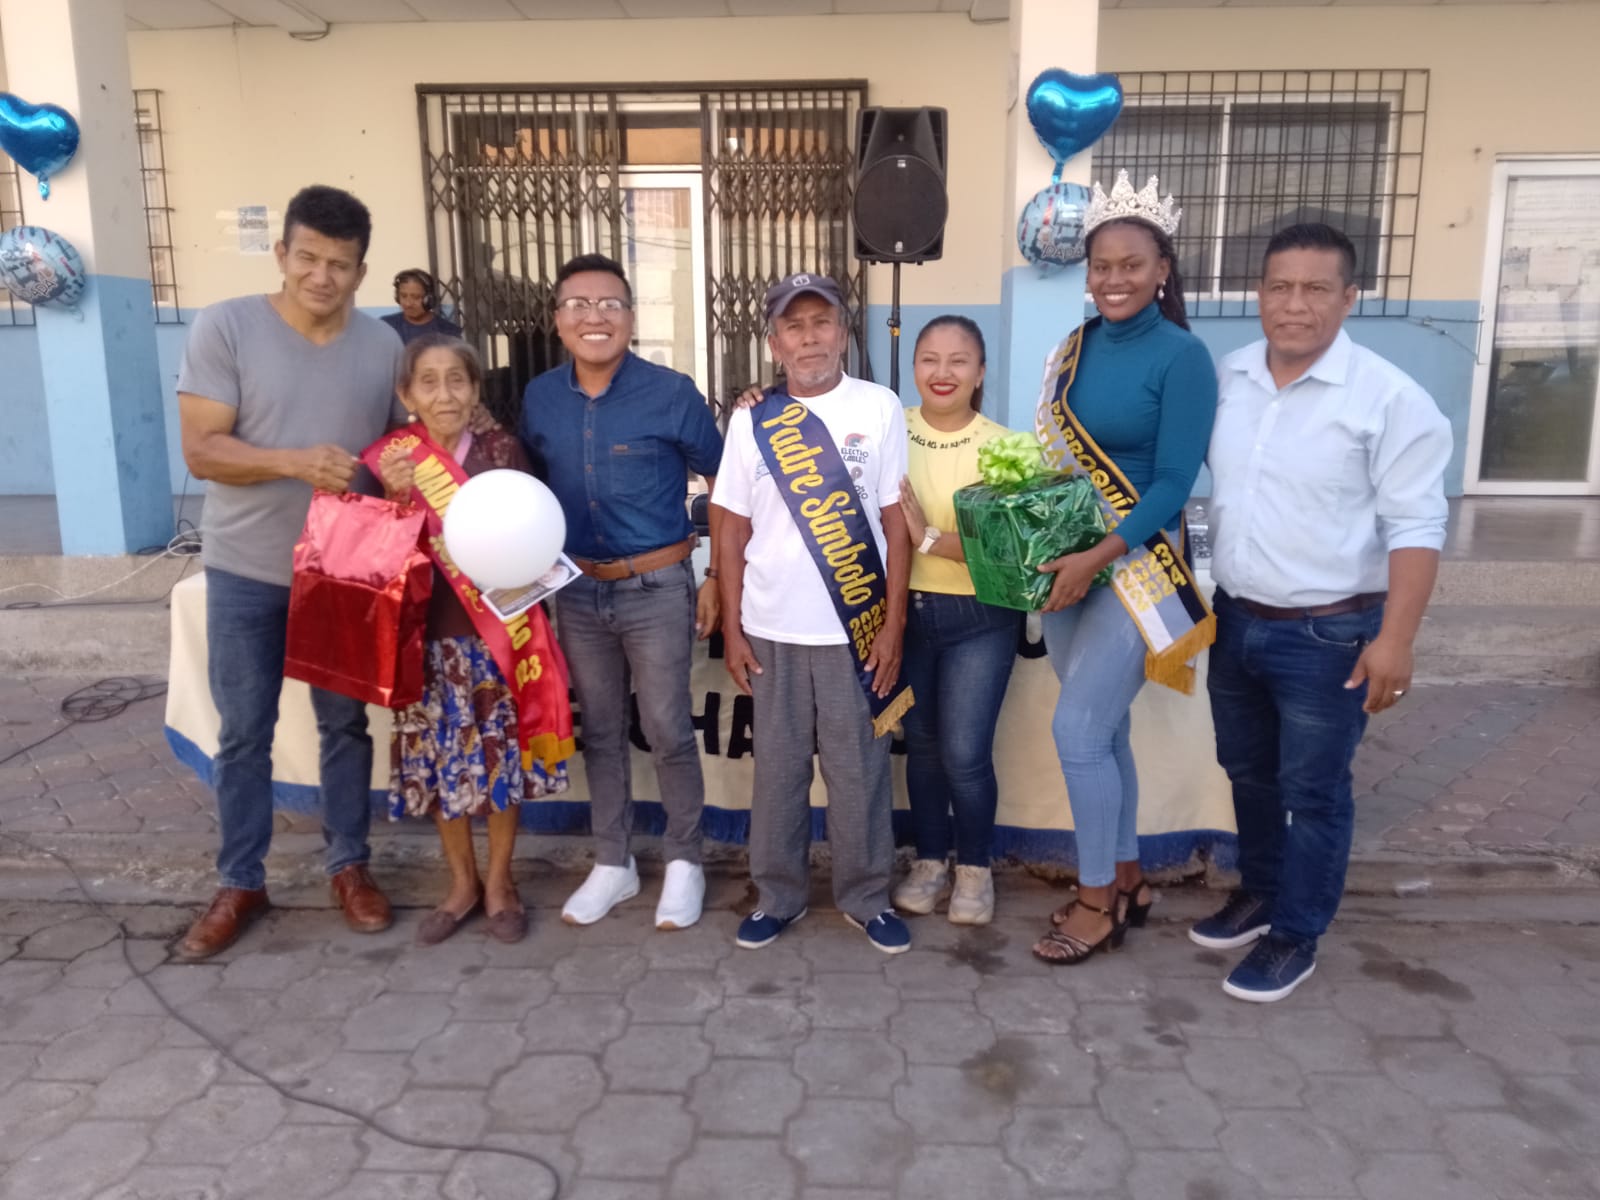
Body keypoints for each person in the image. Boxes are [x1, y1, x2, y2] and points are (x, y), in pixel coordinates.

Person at [1191, 223, 1451, 1002]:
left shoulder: (1389, 400)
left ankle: (1296, 934)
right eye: (1279, 287)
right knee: (1247, 771)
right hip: (1237, 619)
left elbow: (1417, 526)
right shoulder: (1232, 377)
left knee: (1313, 792)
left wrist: (1396, 640)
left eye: (1314, 289)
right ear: (1259, 294)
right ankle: (1263, 891)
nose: (1293, 305)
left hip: (1330, 633)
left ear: (1349, 298)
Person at [175, 185, 404, 959]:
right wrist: (294, 463)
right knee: (245, 732)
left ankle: (350, 866)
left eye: (339, 264)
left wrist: (406, 471)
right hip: (247, 569)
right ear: (282, 254)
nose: (321, 276)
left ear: (361, 271)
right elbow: (203, 450)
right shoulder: (226, 326)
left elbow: (390, 456)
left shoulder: (383, 348)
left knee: (345, 726)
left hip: (344, 573)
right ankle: (240, 880)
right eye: (307, 258)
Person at [1030, 171, 1218, 966]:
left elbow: (1174, 483)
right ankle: (1131, 879)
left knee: (1077, 730)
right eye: (1102, 265)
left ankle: (1096, 899)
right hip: (1074, 560)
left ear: (1162, 269)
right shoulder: (1074, 349)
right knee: (1103, 729)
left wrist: (1097, 559)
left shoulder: (1184, 357)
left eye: (1132, 265)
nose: (1114, 279)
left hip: (1136, 566)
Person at [520, 253, 723, 931]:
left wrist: (719, 576)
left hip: (656, 588)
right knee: (602, 731)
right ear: (557, 319)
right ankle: (614, 862)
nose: (594, 317)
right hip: (577, 590)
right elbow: (524, 486)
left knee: (666, 728)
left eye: (610, 304)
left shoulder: (671, 393)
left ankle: (685, 861)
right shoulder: (540, 397)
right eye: (578, 304)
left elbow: (727, 482)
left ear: (632, 318)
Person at [714, 273, 914, 955]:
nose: (809, 338)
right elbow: (731, 528)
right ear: (774, 344)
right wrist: (733, 628)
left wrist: (893, 625)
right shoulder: (752, 419)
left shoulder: (880, 407)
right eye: (793, 326)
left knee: (859, 772)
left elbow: (896, 522)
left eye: (821, 322)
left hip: (855, 628)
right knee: (778, 773)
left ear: (843, 332)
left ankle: (867, 897)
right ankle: (777, 896)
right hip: (771, 627)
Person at [367, 335, 571, 946]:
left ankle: (502, 882)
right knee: (440, 764)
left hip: (497, 640)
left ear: (476, 389)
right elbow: (375, 562)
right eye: (427, 382)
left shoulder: (501, 451)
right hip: (424, 643)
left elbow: (537, 539)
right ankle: (461, 884)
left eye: (457, 379)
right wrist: (394, 499)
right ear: (406, 395)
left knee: (499, 761)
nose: (444, 395)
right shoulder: (390, 461)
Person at [891, 316, 1023, 926]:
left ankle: (974, 870)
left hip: (980, 619)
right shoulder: (888, 429)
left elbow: (1013, 550)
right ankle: (929, 862)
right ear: (913, 366)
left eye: (959, 360)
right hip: (903, 616)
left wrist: (930, 537)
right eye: (929, 359)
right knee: (920, 748)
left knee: (965, 754)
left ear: (981, 372)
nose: (942, 373)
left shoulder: (1006, 448)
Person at [382, 268, 463, 345]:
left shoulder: (448, 332)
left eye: (416, 297)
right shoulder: (386, 326)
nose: (408, 303)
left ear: (429, 299)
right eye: (403, 296)